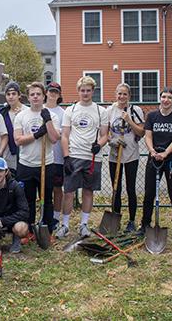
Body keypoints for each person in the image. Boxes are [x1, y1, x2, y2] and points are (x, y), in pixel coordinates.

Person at [60, 76, 109, 238]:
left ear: (93, 91)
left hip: (93, 158)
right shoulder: (71, 110)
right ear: (78, 91)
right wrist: (66, 157)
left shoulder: (100, 111)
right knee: (68, 192)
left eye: (88, 90)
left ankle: (84, 225)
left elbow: (104, 135)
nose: (85, 93)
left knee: (88, 191)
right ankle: (65, 225)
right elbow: (65, 136)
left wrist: (99, 145)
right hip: (74, 156)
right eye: (82, 90)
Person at [14, 82, 61, 243]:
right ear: (28, 97)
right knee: (27, 200)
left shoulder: (52, 116)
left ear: (44, 96)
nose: (35, 97)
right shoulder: (21, 115)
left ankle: (47, 230)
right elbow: (18, 140)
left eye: (38, 94)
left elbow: (55, 139)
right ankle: (29, 230)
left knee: (47, 199)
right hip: (26, 164)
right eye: (32, 94)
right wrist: (36, 135)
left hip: (46, 164)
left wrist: (47, 122)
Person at [140, 87, 172, 240]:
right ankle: (145, 224)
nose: (166, 100)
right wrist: (153, 151)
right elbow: (148, 136)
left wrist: (166, 153)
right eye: (163, 97)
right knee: (149, 194)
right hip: (154, 158)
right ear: (160, 98)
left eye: (169, 98)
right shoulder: (152, 116)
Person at [105, 83, 145, 233]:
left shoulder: (135, 110)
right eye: (119, 94)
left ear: (129, 96)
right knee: (116, 188)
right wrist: (111, 141)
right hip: (115, 156)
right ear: (116, 94)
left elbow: (141, 132)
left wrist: (129, 120)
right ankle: (115, 219)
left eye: (125, 94)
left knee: (130, 189)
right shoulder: (109, 111)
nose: (122, 97)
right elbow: (106, 132)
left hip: (131, 156)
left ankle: (132, 221)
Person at [44, 82, 66, 236]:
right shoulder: (40, 109)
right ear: (46, 93)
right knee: (44, 190)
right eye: (50, 91)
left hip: (57, 157)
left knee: (58, 189)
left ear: (59, 95)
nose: (52, 94)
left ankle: (56, 217)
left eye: (55, 92)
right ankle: (45, 216)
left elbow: (64, 135)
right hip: (42, 157)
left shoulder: (62, 113)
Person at [0, 82, 28, 176]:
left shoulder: (27, 111)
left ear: (19, 95)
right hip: (8, 154)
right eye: (8, 94)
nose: (11, 97)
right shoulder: (3, 113)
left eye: (14, 94)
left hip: (25, 153)